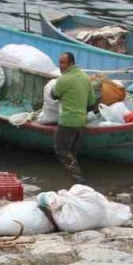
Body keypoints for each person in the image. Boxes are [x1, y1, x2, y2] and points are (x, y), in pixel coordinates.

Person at [50, 52, 97, 181]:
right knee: (72, 153)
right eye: (59, 62)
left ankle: (78, 178)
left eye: (63, 63)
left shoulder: (63, 79)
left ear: (71, 64)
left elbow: (54, 95)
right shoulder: (85, 78)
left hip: (67, 122)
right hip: (81, 123)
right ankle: (70, 181)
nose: (60, 66)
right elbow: (92, 102)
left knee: (61, 150)